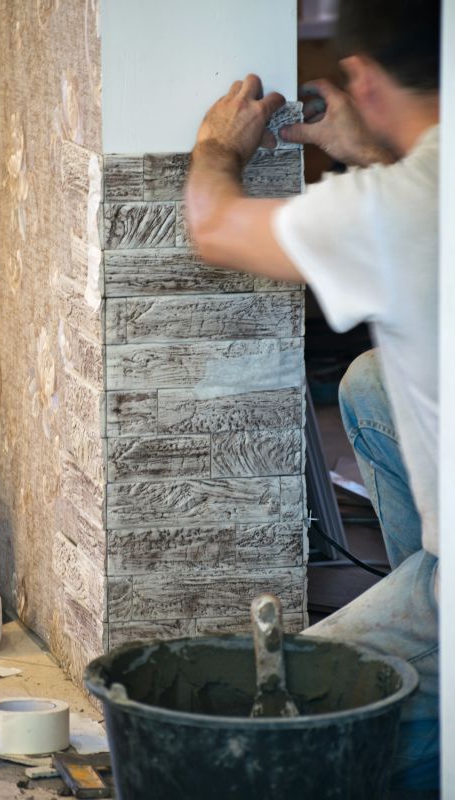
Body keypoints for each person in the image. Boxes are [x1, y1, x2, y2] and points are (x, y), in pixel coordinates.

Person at [185, 1, 440, 796]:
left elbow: (214, 224)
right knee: (366, 386)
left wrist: (213, 147)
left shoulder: (397, 207)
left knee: (286, 731)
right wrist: (369, 149)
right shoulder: (407, 195)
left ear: (361, 79)